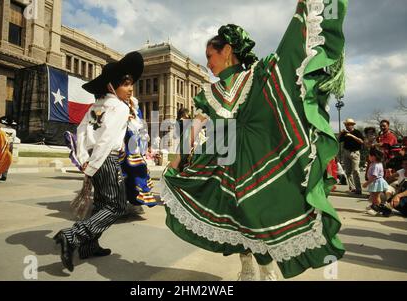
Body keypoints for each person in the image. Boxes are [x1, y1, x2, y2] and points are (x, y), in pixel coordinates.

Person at [161, 0, 348, 280]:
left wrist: (304, 12)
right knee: (238, 216)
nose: (208, 63)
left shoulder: (257, 76)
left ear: (227, 51)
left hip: (255, 155)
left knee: (256, 212)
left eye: (210, 55)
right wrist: (179, 157)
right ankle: (250, 267)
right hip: (222, 157)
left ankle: (264, 269)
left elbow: (288, 63)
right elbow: (196, 125)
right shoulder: (228, 86)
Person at [53, 52, 144, 272]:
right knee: (116, 206)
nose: (130, 89)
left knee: (102, 204)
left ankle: (89, 246)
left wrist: (85, 160)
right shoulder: (120, 108)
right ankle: (73, 235)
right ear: (112, 86)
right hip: (107, 159)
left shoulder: (98, 106)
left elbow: (81, 132)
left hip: (95, 159)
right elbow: (107, 140)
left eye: (131, 84)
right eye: (125, 84)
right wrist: (93, 165)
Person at [121, 96, 159, 216]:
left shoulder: (136, 107)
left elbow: (141, 127)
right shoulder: (114, 105)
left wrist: (144, 145)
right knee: (121, 175)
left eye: (131, 86)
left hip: (134, 147)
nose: (129, 89)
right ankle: (118, 203)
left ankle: (135, 202)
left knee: (137, 173)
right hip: (120, 146)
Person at [338, 118, 364, 194]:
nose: (348, 126)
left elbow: (361, 141)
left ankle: (358, 189)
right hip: (346, 152)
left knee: (356, 170)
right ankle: (352, 188)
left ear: (353, 125)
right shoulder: (344, 133)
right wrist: (340, 133)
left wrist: (351, 136)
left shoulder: (357, 132)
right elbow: (339, 140)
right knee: (348, 172)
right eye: (346, 124)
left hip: (355, 153)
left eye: (349, 124)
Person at [363, 148, 389, 216]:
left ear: (373, 156)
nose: (368, 157)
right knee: (373, 196)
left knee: (376, 196)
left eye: (369, 155)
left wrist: (366, 183)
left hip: (377, 183)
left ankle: (377, 209)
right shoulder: (374, 163)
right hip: (375, 182)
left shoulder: (376, 166)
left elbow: (374, 176)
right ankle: (373, 206)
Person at [0, 116, 18, 181]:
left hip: (3, 145)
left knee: (0, 160)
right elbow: (14, 139)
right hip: (10, 145)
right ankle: (4, 175)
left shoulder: (1, 129)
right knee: (7, 160)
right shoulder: (14, 131)